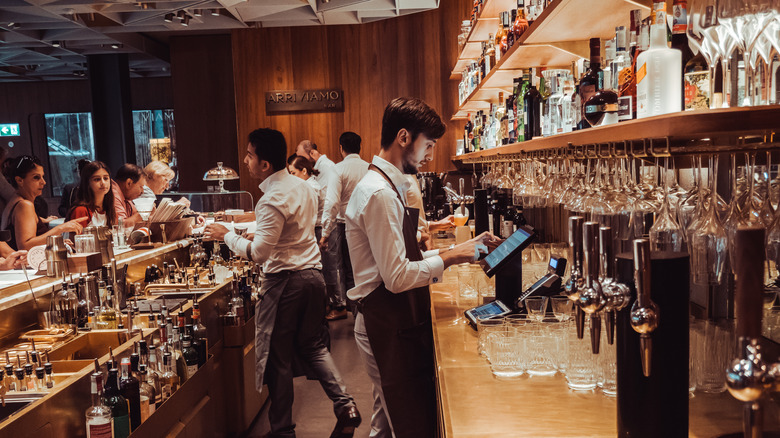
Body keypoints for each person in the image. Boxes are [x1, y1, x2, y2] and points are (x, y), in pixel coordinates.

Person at [345, 97, 497, 438]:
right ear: (403, 137)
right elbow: (397, 276)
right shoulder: (379, 193)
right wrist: (454, 256)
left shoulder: (386, 185)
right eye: (427, 145)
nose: (429, 154)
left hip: (391, 318)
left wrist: (460, 249)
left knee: (387, 421)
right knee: (407, 424)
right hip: (383, 320)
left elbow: (402, 260)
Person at [205, 128, 361, 438]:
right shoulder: (302, 186)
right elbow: (298, 228)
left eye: (250, 155)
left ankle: (282, 430)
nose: (247, 161)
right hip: (314, 278)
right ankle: (346, 406)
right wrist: (260, 233)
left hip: (285, 285)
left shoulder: (269, 199)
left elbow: (261, 253)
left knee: (278, 359)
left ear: (264, 164)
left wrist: (228, 236)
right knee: (314, 347)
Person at [318, 132, 369, 320]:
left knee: (347, 270)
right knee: (365, 268)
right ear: (360, 147)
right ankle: (365, 315)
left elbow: (332, 203)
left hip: (345, 225)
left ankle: (358, 317)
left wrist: (325, 233)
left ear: (341, 148)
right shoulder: (369, 168)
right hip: (367, 224)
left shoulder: (338, 169)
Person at [1, 155, 85, 250]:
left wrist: (56, 241)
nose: (43, 182)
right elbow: (25, 245)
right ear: (19, 180)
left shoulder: (15, 201)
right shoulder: (24, 205)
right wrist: (61, 228)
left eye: (42, 177)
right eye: (36, 177)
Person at [66, 161, 116, 228]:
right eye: (97, 179)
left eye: (106, 178)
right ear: (87, 183)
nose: (103, 183)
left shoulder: (110, 209)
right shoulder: (81, 210)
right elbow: (76, 238)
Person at [288, 155, 325, 236]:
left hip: (316, 229)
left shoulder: (312, 188)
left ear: (304, 171)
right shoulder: (305, 186)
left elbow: (306, 214)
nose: (291, 177)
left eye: (293, 173)